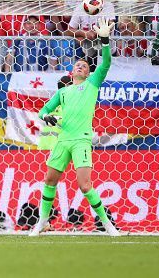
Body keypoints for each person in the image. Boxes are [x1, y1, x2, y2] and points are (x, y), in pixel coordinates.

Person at [30, 17, 119, 237]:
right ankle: (42, 222)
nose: (80, 65)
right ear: (72, 71)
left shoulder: (91, 85)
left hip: (81, 140)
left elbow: (106, 62)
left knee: (85, 185)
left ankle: (108, 224)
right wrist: (46, 117)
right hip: (63, 140)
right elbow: (43, 110)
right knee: (50, 180)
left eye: (85, 65)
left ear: (88, 73)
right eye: (77, 64)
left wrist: (105, 40)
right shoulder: (63, 92)